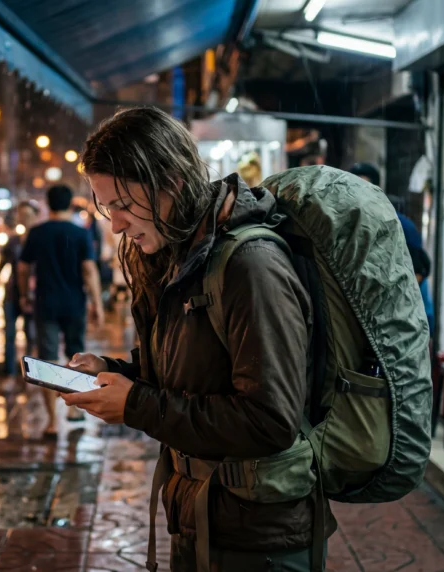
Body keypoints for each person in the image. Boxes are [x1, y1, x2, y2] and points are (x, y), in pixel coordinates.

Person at [62, 107, 329, 571]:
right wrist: (114, 374)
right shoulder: (178, 256)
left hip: (259, 541)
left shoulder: (251, 266)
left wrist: (136, 404)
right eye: (106, 208)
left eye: (123, 206)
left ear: (172, 183)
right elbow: (190, 376)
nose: (116, 225)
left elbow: (270, 420)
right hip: (200, 515)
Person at [18, 185, 104, 436]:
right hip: (74, 303)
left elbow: (23, 268)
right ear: (69, 205)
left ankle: (52, 421)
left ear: (48, 203)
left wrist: (24, 295)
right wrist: (97, 303)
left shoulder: (37, 233)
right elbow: (89, 270)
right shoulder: (80, 233)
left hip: (45, 303)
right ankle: (74, 409)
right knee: (75, 358)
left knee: (47, 360)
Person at [349, 162, 435, 332]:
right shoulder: (353, 226)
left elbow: (417, 275)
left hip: (408, 322)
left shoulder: (401, 226)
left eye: (363, 187)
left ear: (375, 189)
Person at [0, 201, 40, 375]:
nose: (23, 219)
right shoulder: (13, 240)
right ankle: (9, 372)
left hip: (32, 295)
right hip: (12, 293)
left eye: (27, 215)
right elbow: (3, 263)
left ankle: (29, 373)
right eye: (21, 215)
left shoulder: (39, 239)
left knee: (31, 335)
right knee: (9, 335)